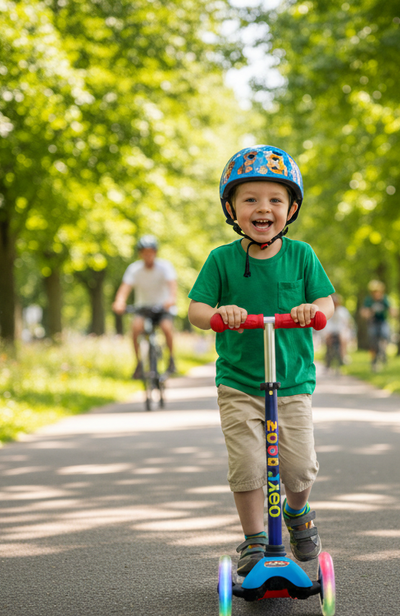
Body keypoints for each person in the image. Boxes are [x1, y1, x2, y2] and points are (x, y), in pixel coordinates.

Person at [188, 144, 335, 576]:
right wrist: (220, 314)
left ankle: (298, 513)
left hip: (291, 382)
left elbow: (326, 298)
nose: (262, 208)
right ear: (231, 209)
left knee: (298, 466)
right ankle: (254, 540)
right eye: (250, 199)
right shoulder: (221, 260)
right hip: (239, 382)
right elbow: (196, 310)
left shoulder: (302, 255)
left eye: (275, 199)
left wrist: (312, 308)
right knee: (249, 466)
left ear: (291, 209)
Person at [112, 235, 178, 379]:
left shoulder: (165, 267)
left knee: (167, 328)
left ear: (155, 253)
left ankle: (171, 359)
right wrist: (119, 301)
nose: (148, 255)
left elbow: (172, 287)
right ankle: (139, 364)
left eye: (150, 252)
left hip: (162, 308)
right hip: (143, 308)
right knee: (135, 329)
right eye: (144, 252)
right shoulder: (134, 269)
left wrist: (171, 299)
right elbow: (124, 289)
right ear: (140, 254)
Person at [360, 279, 392, 371]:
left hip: (383, 321)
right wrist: (368, 313)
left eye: (378, 291)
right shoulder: (369, 300)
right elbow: (363, 312)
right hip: (373, 322)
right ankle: (373, 361)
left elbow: (391, 309)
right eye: (374, 292)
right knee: (373, 341)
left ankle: (383, 352)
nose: (376, 294)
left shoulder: (384, 299)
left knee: (385, 335)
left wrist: (392, 311)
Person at [320, 292, 354, 366]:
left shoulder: (343, 311)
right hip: (330, 329)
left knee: (343, 339)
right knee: (327, 338)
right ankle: (328, 355)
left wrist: (347, 329)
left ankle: (343, 355)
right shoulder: (328, 310)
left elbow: (347, 322)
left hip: (340, 329)